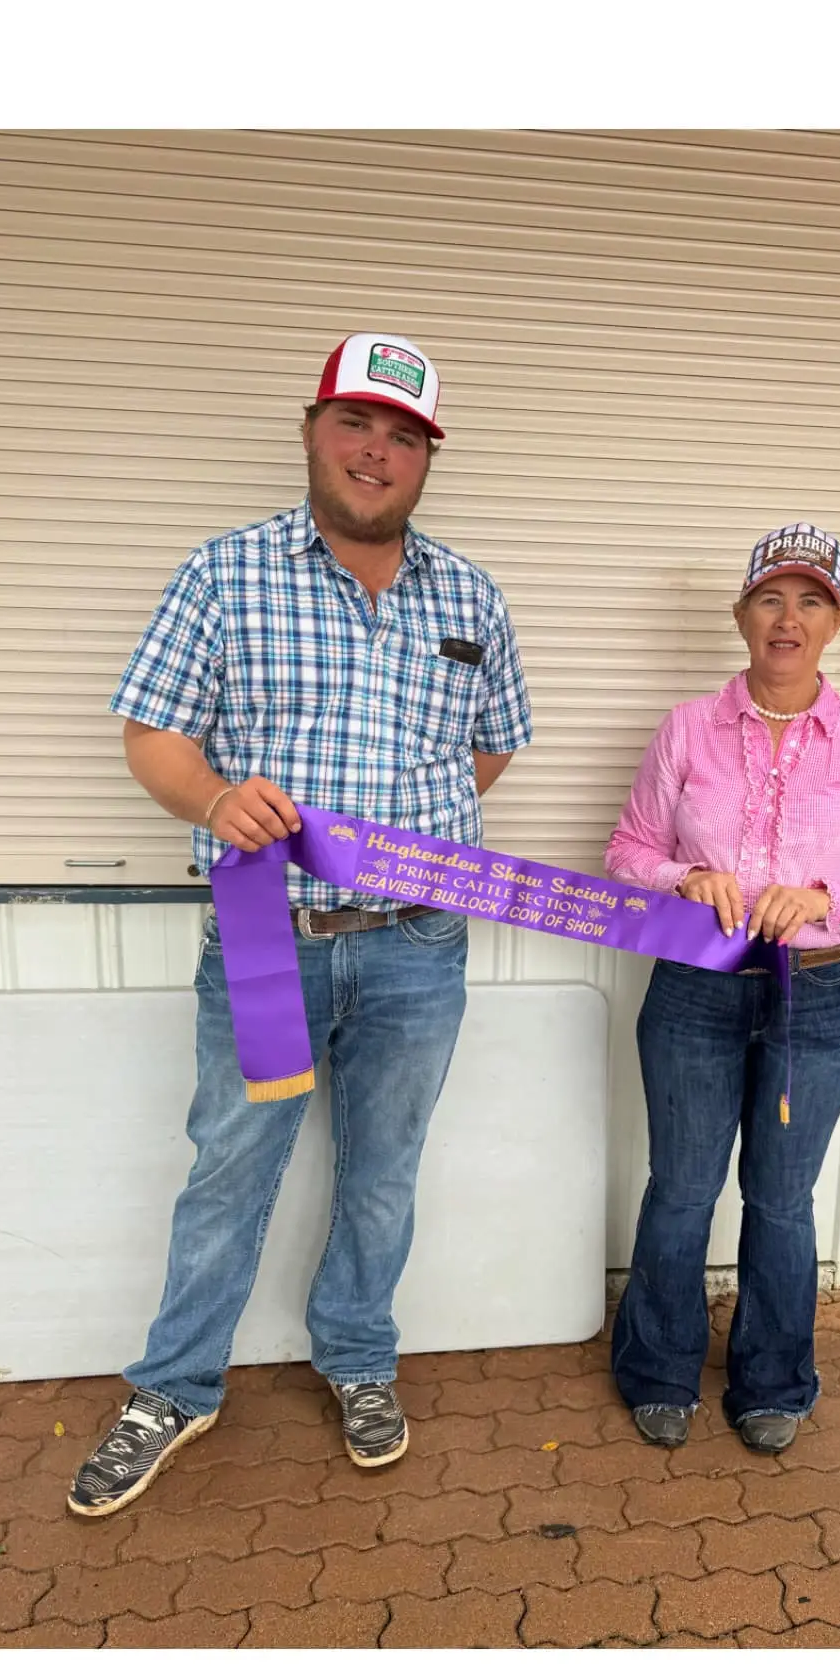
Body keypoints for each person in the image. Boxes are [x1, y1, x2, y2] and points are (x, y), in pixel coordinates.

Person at [68, 332, 531, 1516]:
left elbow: (489, 747)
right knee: (231, 1168)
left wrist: (409, 834)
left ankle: (359, 1356)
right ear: (313, 431)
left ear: (428, 458)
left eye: (405, 436)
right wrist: (216, 800)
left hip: (420, 943)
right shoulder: (225, 573)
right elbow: (153, 733)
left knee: (384, 1171)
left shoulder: (471, 595)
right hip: (265, 935)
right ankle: (175, 1385)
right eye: (356, 423)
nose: (378, 451)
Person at [604, 523, 840, 1453]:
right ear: (742, 614)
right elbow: (628, 851)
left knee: (782, 1199)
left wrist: (828, 900)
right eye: (771, 599)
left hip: (815, 1000)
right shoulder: (687, 729)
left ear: (836, 621)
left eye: (810, 601)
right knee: (682, 1188)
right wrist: (681, 878)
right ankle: (658, 1367)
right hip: (695, 991)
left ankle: (773, 1380)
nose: (788, 619)